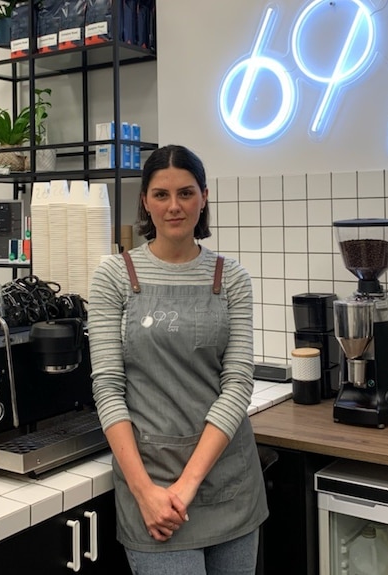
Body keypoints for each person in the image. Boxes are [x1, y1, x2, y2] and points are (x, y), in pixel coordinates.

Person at [88, 144, 268, 575]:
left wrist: (187, 486)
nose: (174, 206)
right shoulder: (114, 276)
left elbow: (238, 383)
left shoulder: (232, 278)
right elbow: (108, 387)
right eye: (162, 195)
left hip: (228, 484)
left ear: (204, 197)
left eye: (186, 193)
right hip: (150, 486)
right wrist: (145, 492)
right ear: (145, 201)